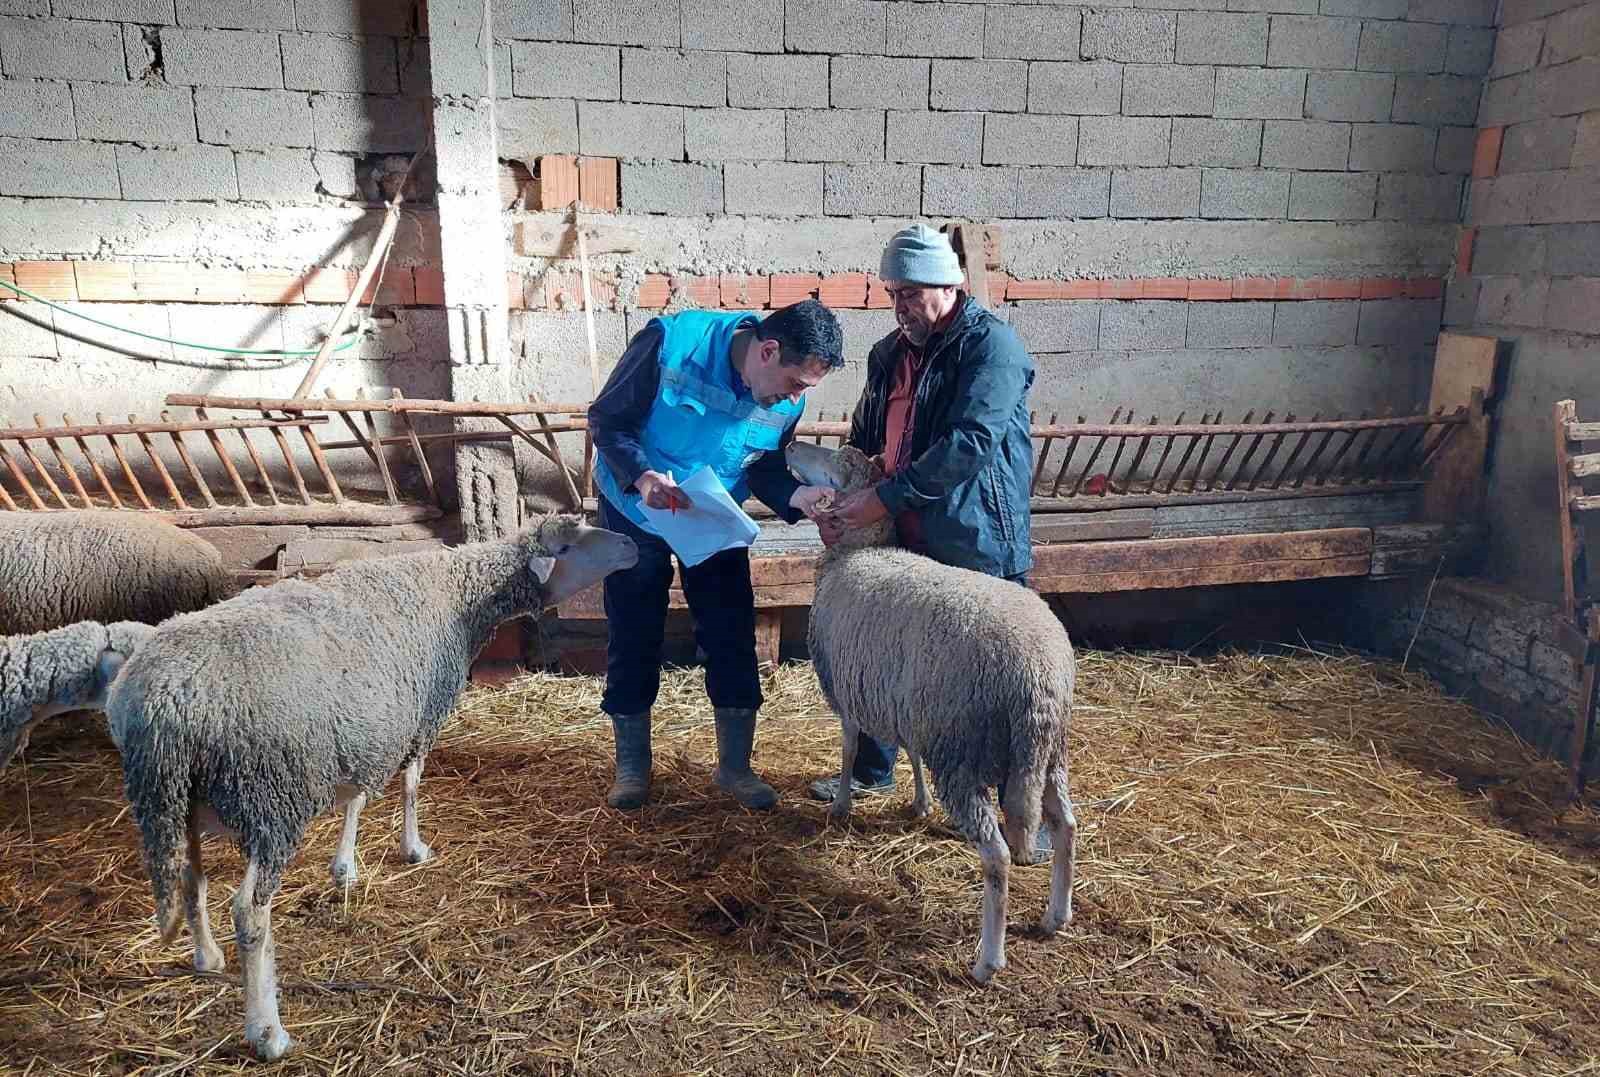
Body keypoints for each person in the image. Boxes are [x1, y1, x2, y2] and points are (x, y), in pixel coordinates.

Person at [807, 224, 1036, 803]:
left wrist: (881, 499)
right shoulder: (888, 355)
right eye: (891, 293)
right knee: (886, 652)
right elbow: (862, 440)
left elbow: (970, 442)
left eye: (910, 293)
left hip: (972, 535)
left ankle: (1009, 798)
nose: (899, 306)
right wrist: (838, 501)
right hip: (901, 537)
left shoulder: (991, 347)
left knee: (990, 670)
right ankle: (871, 771)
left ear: (948, 285)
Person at [589, 299, 843, 812]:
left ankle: (734, 767)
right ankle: (633, 765)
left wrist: (799, 499)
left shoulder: (788, 399)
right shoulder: (672, 344)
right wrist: (642, 477)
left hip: (710, 512)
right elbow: (608, 421)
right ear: (767, 351)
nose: (795, 397)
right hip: (638, 506)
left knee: (729, 630)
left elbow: (764, 468)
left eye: (804, 390)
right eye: (795, 383)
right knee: (635, 625)